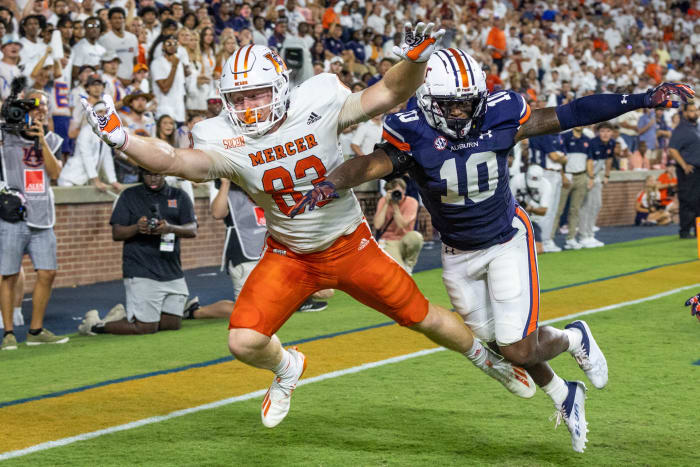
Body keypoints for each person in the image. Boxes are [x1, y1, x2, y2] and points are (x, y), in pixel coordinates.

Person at [81, 23, 535, 428]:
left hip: (350, 245)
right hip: (291, 254)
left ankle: (488, 361)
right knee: (243, 340)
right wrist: (123, 139)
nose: (249, 106)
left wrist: (414, 60)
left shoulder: (318, 99)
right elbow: (177, 160)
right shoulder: (221, 135)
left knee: (422, 317)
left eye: (257, 94)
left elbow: (387, 93)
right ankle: (287, 368)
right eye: (239, 98)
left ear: (280, 86)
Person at [292, 48, 692, 451]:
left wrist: (642, 98)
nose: (464, 112)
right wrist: (333, 182)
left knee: (516, 347)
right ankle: (565, 393)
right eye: (454, 104)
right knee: (498, 343)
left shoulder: (501, 114)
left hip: (504, 241)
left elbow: (571, 113)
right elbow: (374, 164)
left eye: (469, 101)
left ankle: (573, 339)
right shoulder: (409, 130)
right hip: (456, 252)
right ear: (429, 101)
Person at [78, 168, 197, 335]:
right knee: (146, 328)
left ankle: (124, 315)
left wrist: (170, 228)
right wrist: (137, 228)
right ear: (142, 174)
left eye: (157, 174)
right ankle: (94, 326)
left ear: (164, 173)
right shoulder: (129, 196)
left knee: (171, 324)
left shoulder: (179, 195)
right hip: (140, 267)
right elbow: (117, 233)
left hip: (171, 268)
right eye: (148, 174)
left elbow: (192, 229)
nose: (153, 178)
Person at [0, 89, 69, 350]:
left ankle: (35, 330)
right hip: (13, 217)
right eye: (36, 105)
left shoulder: (51, 138)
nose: (42, 110)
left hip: (43, 217)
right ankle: (8, 333)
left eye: (45, 106)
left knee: (48, 272)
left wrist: (41, 140)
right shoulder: (6, 134)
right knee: (7, 274)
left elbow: (54, 172)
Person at [553, 126, 594, 250]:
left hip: (581, 176)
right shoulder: (564, 137)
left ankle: (571, 238)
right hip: (567, 176)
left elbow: (589, 160)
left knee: (575, 210)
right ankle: (549, 239)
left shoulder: (587, 139)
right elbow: (560, 158)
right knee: (558, 209)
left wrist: (590, 177)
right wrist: (563, 175)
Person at [372, 177, 424, 274]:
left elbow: (401, 225)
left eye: (398, 192)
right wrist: (386, 203)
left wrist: (395, 206)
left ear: (404, 190)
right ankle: (403, 267)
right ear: (387, 192)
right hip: (389, 241)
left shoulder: (412, 202)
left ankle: (409, 264)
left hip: (405, 239)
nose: (396, 194)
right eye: (393, 192)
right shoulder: (383, 201)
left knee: (416, 237)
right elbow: (377, 225)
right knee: (399, 272)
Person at [578, 122, 615, 248]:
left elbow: (609, 159)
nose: (605, 134)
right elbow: (589, 162)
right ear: (598, 132)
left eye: (608, 131)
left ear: (612, 133)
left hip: (597, 174)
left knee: (596, 204)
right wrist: (591, 178)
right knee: (586, 206)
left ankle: (590, 234)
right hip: (587, 175)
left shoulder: (611, 143)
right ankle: (584, 236)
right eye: (603, 131)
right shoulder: (593, 143)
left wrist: (607, 175)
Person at [667, 102, 700, 239]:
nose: (695, 113)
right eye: (691, 111)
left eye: (696, 110)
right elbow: (672, 149)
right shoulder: (681, 129)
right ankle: (685, 231)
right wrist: (684, 164)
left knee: (698, 200)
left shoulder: (697, 127)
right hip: (688, 170)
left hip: (698, 169)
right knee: (688, 200)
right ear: (685, 113)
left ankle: (697, 229)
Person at [509, 164, 550, 254]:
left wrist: (530, 208)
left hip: (531, 220)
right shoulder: (516, 180)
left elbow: (544, 211)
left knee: (539, 250)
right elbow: (506, 202)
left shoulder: (546, 185)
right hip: (513, 219)